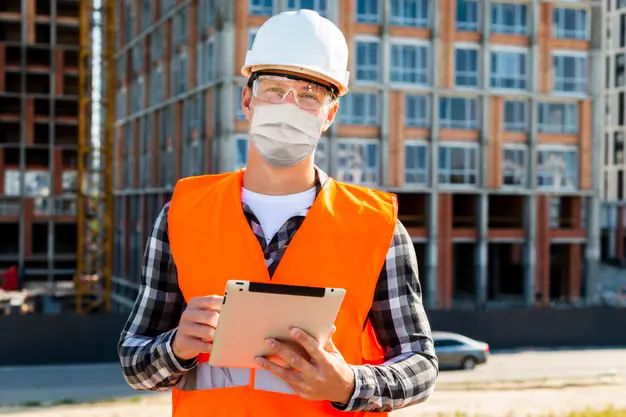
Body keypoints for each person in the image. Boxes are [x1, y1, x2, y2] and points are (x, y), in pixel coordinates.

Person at [118, 9, 438, 416]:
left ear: (330, 114)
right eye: (274, 89)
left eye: (310, 95)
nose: (289, 106)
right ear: (247, 100)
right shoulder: (182, 215)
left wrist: (350, 384)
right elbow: (134, 361)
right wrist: (177, 346)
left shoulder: (376, 227)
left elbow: (421, 365)